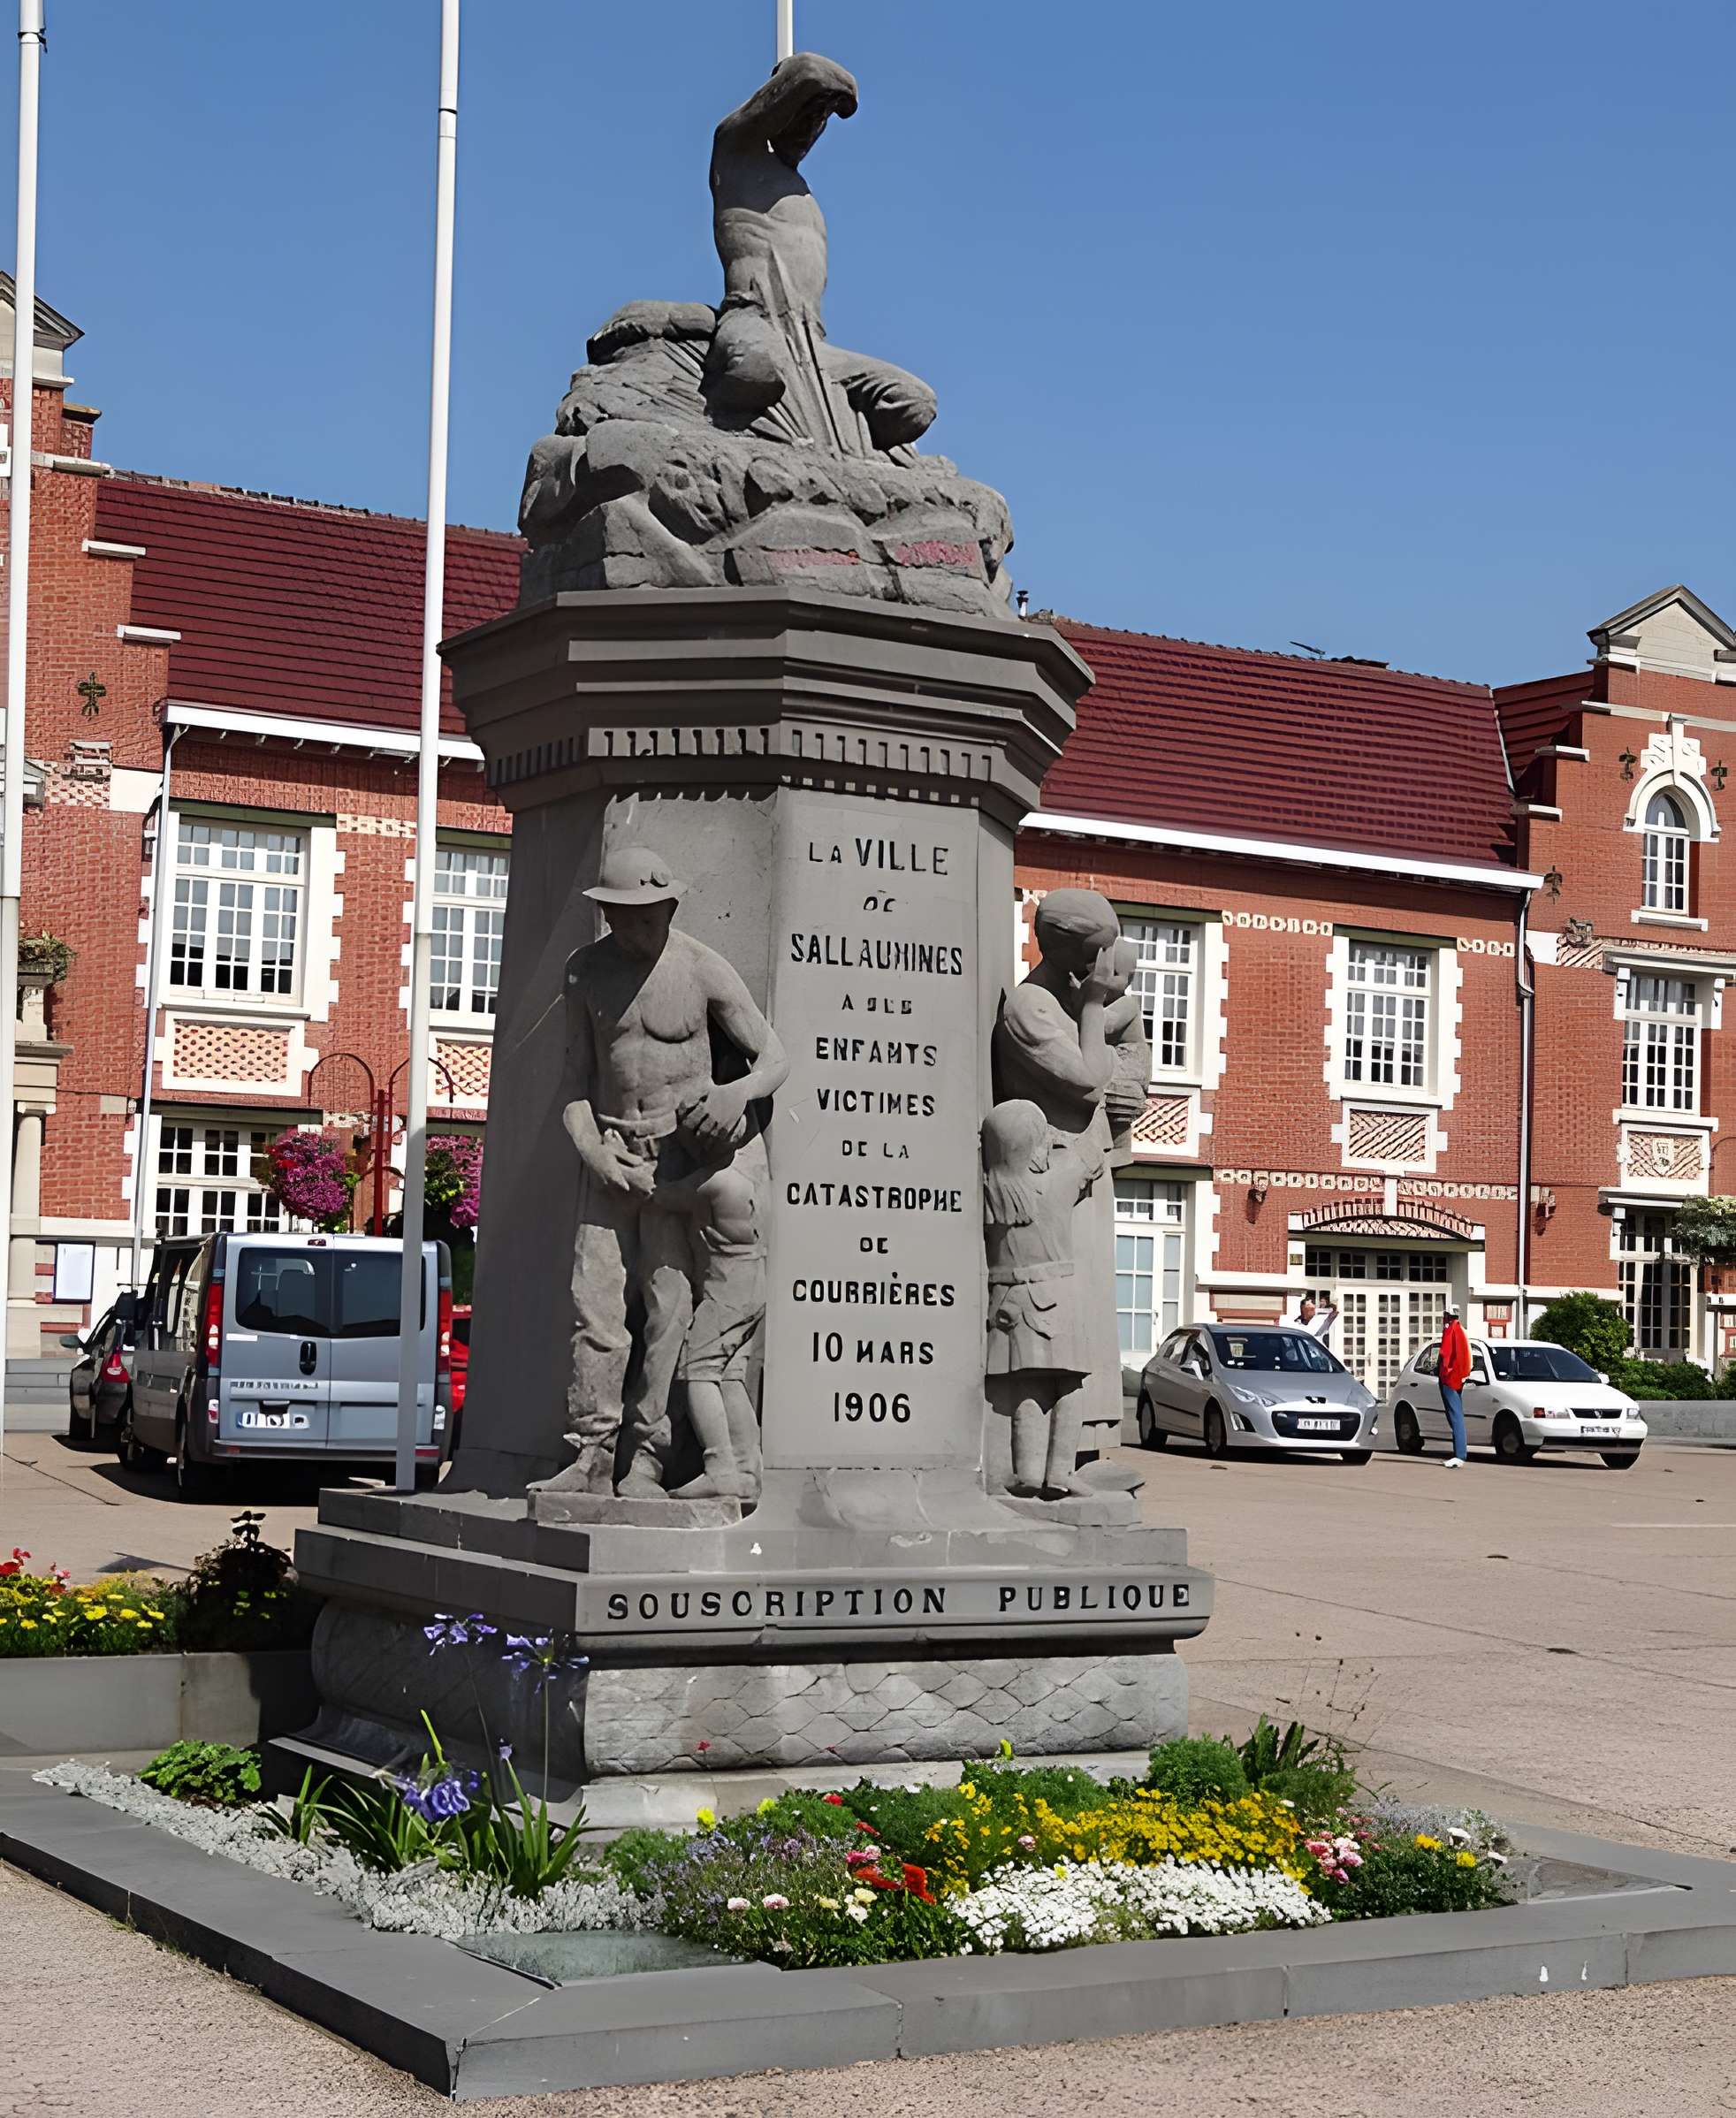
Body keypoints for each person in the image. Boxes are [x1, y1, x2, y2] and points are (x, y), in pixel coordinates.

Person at [550, 847, 788, 1497]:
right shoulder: (585, 974)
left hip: (677, 1164)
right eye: (624, 919)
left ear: (670, 908)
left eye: (650, 918)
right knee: (594, 1307)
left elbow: (773, 1056)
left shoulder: (703, 968)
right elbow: (573, 1087)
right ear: (604, 913)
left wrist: (737, 1096)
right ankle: (590, 1452)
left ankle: (649, 1458)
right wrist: (596, 1153)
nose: (637, 931)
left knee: (667, 1314)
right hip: (611, 1158)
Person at [706, 53, 937, 450]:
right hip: (755, 319)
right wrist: (839, 93)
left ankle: (846, 458)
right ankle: (716, 441)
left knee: (916, 403)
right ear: (777, 106)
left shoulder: (804, 197)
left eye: (822, 120)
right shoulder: (736, 156)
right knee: (757, 371)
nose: (812, 127)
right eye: (806, 112)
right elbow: (808, 72)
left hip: (815, 344)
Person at [981, 1101, 1101, 1499]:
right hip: (1054, 1294)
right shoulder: (1055, 1181)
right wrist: (1059, 1136)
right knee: (1069, 1385)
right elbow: (1093, 1154)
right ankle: (1061, 1472)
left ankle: (1029, 1471)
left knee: (1029, 1385)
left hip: (1006, 1299)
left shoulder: (989, 1189)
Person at [1438, 1304, 1472, 1468]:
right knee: (1455, 1415)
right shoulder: (1461, 1330)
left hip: (1451, 1379)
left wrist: (1446, 1375)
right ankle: (1459, 1453)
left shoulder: (1451, 1330)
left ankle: (1459, 1455)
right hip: (1457, 1378)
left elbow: (1446, 1355)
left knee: (1455, 1416)